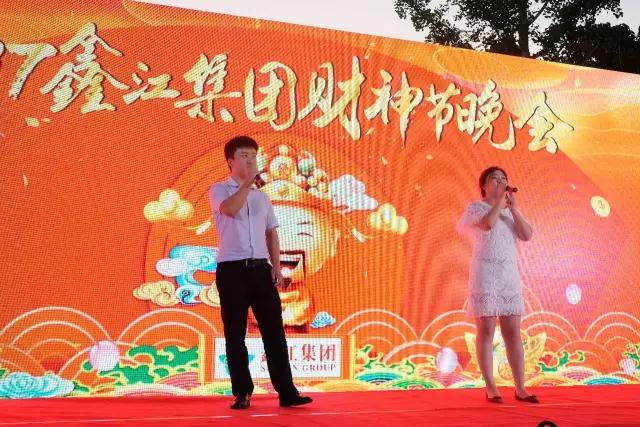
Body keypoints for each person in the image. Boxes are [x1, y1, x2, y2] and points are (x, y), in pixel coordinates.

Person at [209, 135, 313, 409]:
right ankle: (242, 392)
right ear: (230, 161)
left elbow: (271, 233)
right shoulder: (219, 190)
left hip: (260, 270)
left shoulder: (262, 197)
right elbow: (230, 209)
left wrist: (276, 267)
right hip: (232, 270)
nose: (250, 161)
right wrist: (247, 183)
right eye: (244, 156)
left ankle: (287, 392)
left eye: (253, 156)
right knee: (235, 333)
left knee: (274, 332)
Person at [457, 166, 539, 404]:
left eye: (504, 179)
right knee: (486, 330)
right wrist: (499, 204)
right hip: (485, 275)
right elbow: (487, 224)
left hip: (508, 276)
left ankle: (521, 387)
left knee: (513, 331)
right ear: (484, 185)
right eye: (495, 179)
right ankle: (491, 387)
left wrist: (513, 208)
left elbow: (527, 234)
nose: (501, 182)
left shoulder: (508, 212)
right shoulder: (476, 208)